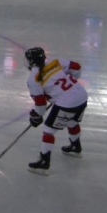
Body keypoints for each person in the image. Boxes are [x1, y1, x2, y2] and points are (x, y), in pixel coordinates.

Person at [24, 47, 88, 175]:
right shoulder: (55, 62)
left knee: (48, 130)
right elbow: (76, 67)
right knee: (72, 121)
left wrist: (36, 117)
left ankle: (43, 163)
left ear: (31, 61)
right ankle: (75, 147)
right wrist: (72, 81)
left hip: (67, 102)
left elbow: (41, 104)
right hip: (81, 95)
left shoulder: (33, 78)